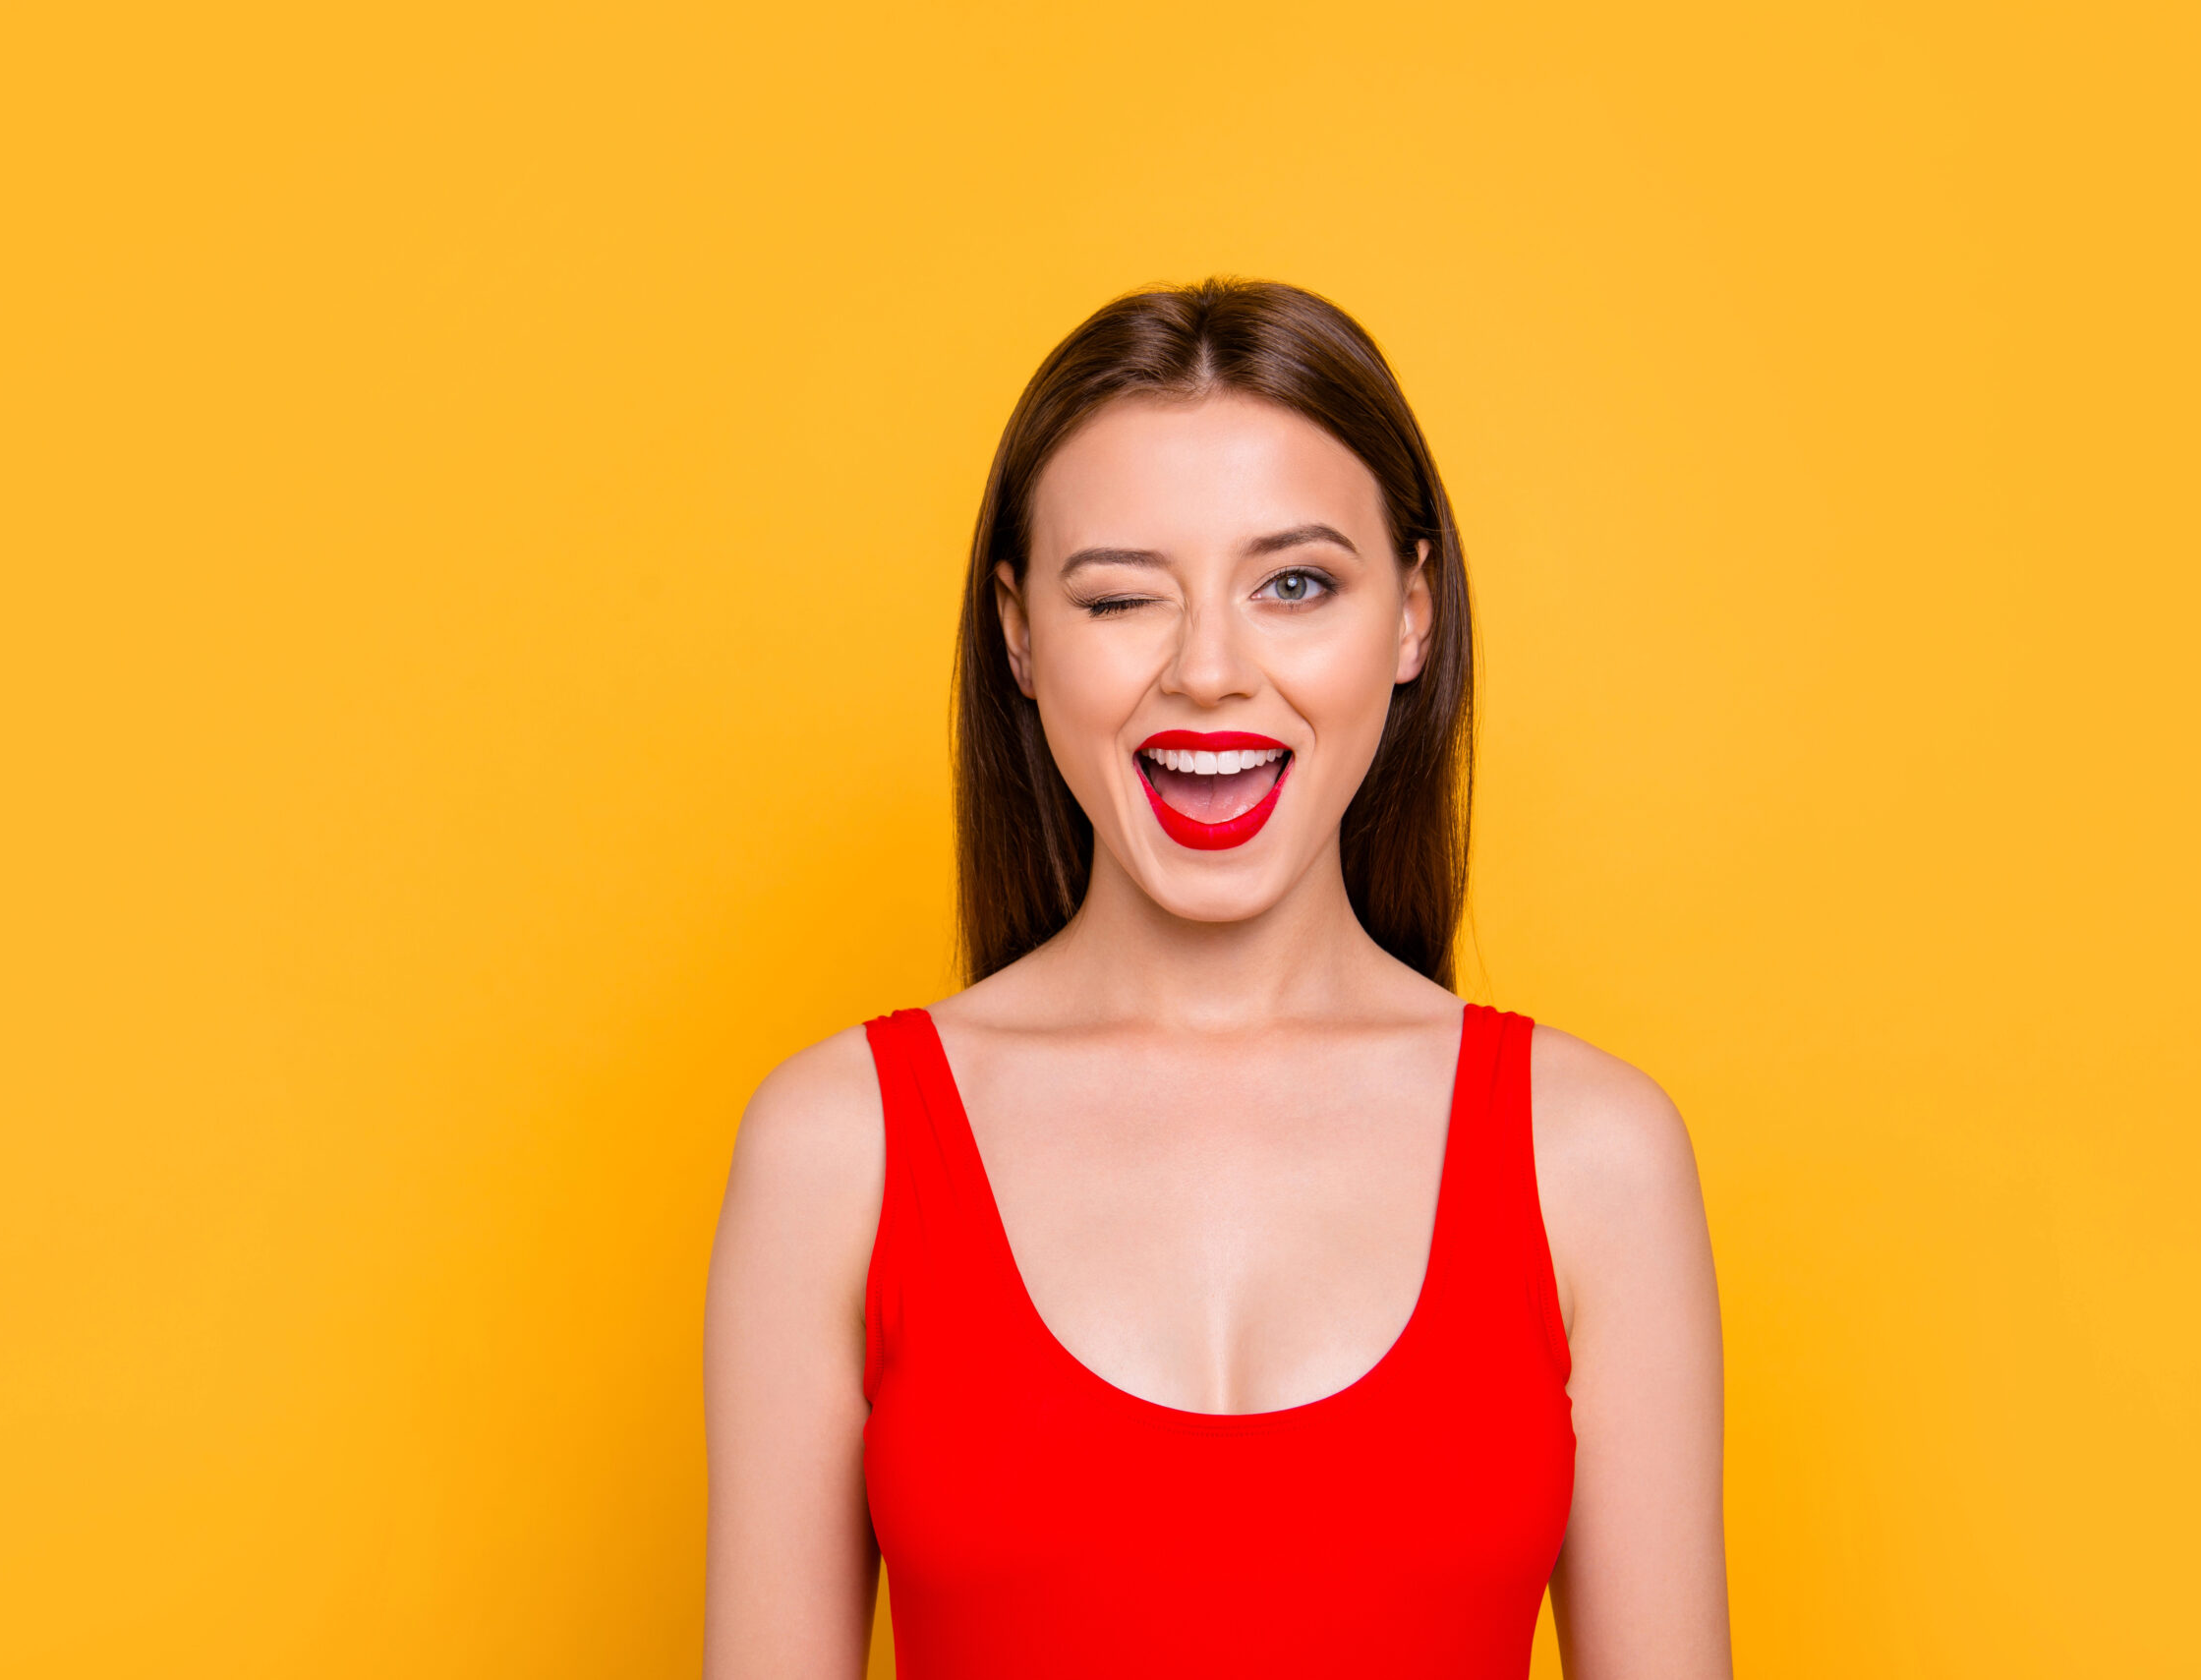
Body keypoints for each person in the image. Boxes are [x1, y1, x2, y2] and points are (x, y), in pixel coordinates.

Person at [703, 279, 1730, 1679]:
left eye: (1294, 584)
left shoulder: (1594, 1157)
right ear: (1019, 633)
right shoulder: (836, 1150)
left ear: (1414, 614)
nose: (1206, 671)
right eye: (1122, 594)